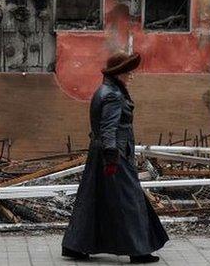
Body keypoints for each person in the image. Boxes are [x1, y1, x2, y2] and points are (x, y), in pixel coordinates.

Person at [62, 52, 168, 263]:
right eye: (128, 72)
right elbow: (108, 128)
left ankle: (76, 246)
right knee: (129, 201)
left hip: (101, 153)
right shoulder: (113, 95)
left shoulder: (103, 90)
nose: (131, 76)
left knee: (93, 199)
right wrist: (112, 159)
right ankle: (138, 251)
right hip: (114, 156)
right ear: (119, 73)